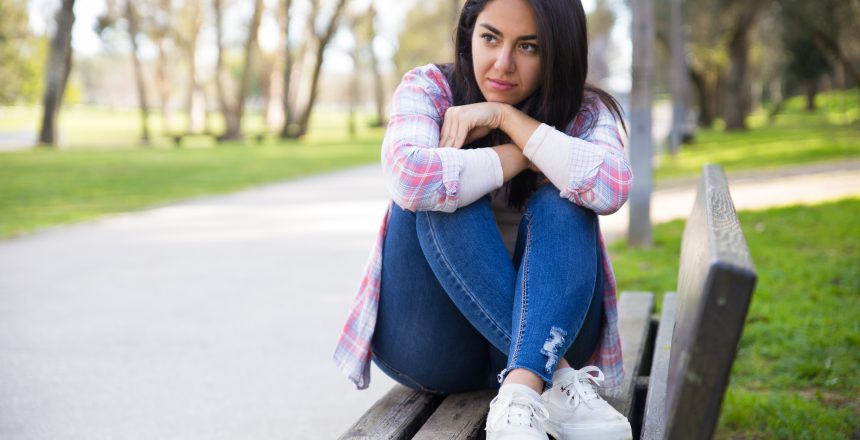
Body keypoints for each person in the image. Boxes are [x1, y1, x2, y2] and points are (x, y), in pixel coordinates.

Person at [334, 0, 634, 438]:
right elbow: (412, 178)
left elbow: (612, 187)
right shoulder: (430, 88)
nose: (502, 63)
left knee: (565, 202)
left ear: (557, 53)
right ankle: (544, 376)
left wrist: (505, 118)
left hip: (555, 327)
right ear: (469, 34)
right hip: (434, 344)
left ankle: (523, 384)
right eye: (490, 38)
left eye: (528, 47)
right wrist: (523, 154)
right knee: (444, 193)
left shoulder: (586, 112)